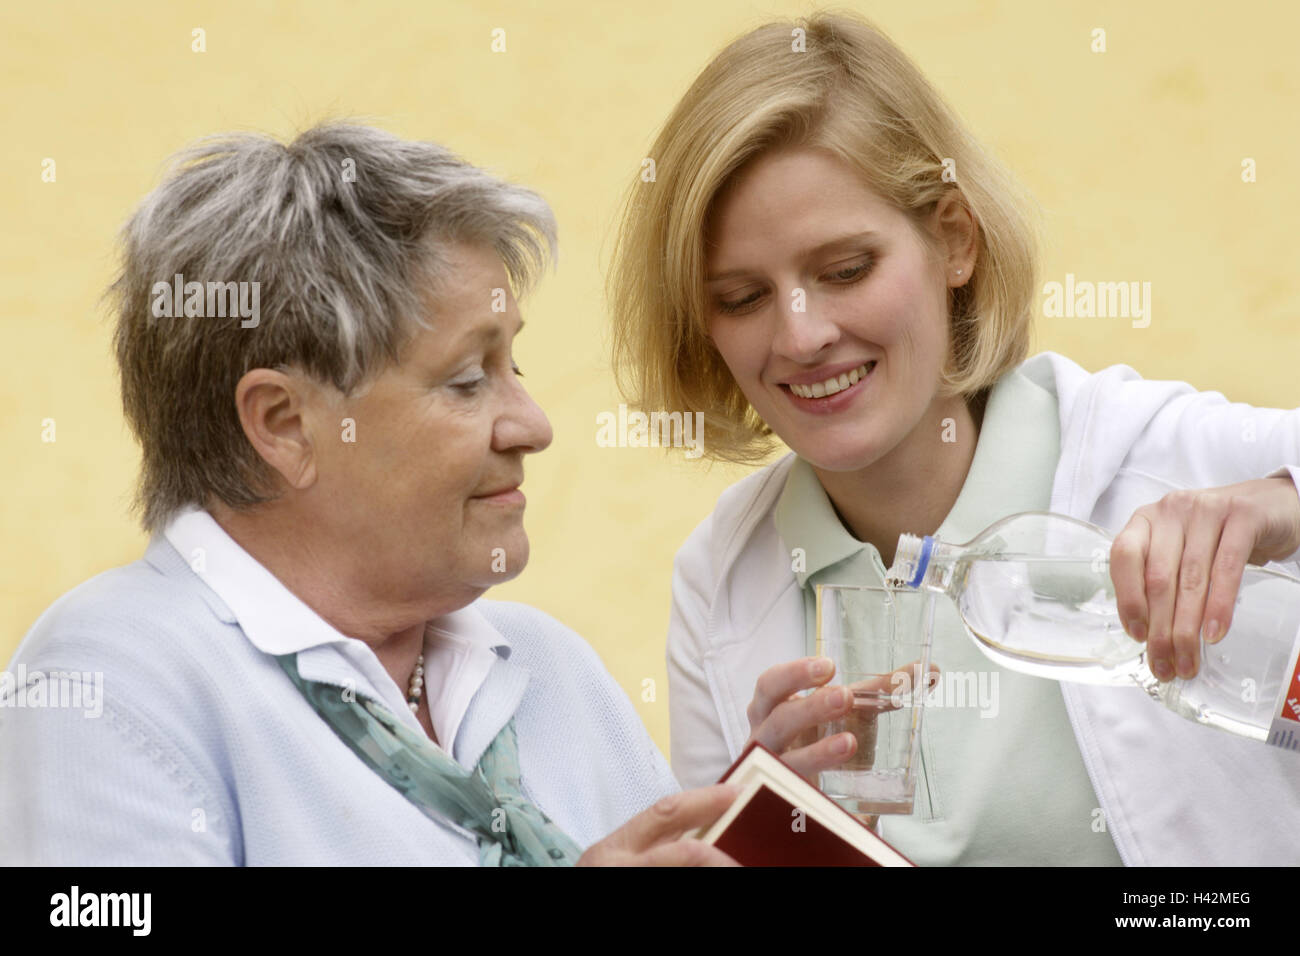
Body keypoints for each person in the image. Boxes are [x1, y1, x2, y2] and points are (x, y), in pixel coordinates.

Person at [606, 11, 1300, 865]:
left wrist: (1284, 501)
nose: (800, 336)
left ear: (953, 241)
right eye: (743, 297)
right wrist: (778, 834)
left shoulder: (1149, 460)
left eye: (846, 270)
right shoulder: (719, 581)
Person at [0, 122, 765, 866]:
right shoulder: (103, 684)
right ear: (285, 425)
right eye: (468, 380)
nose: (532, 426)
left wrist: (780, 816)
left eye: (515, 370)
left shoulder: (550, 668)